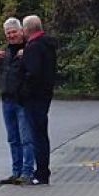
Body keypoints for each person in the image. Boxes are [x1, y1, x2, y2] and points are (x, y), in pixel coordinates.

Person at [0, 17, 34, 185]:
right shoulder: (4, 53)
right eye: (8, 33)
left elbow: (37, 70)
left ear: (21, 31)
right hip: (7, 100)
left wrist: (28, 56)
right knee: (13, 139)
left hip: (23, 101)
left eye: (14, 32)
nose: (11, 35)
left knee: (26, 139)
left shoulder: (30, 50)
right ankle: (16, 171)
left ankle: (27, 172)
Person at [20, 14, 58, 186]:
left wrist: (23, 92)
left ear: (27, 29)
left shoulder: (34, 47)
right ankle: (43, 170)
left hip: (34, 97)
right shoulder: (47, 45)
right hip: (45, 94)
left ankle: (41, 173)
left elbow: (32, 73)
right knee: (41, 133)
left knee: (37, 135)